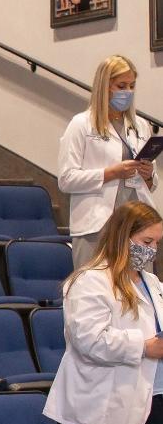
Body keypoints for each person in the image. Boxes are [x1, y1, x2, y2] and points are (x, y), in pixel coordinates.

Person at [44, 201, 163, 424]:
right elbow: (88, 340)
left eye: (157, 244)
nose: (152, 251)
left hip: (154, 398)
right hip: (108, 403)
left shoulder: (151, 282)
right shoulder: (89, 280)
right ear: (123, 236)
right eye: (146, 242)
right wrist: (144, 346)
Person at [59, 55, 156, 269]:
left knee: (139, 293)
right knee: (93, 289)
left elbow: (151, 184)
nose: (128, 92)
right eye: (122, 86)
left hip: (136, 225)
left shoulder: (140, 125)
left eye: (132, 86)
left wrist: (148, 174)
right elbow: (66, 179)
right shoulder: (81, 124)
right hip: (97, 225)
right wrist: (111, 173)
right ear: (105, 86)